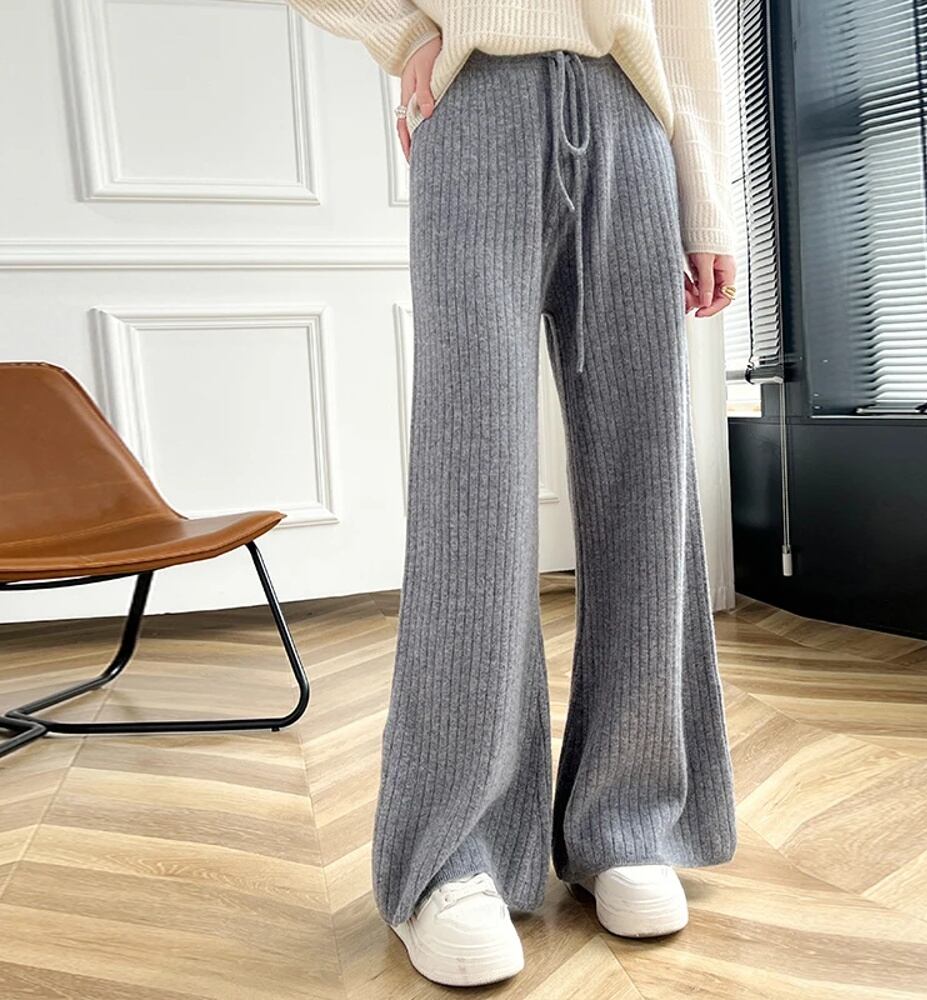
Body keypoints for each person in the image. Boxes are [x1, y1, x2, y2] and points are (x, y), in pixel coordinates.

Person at [288, 0, 739, 988]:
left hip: (633, 117)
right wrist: (407, 34)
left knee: (649, 486)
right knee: (473, 489)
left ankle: (628, 818)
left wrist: (704, 201)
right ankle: (455, 853)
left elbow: (686, 27)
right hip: (478, 105)